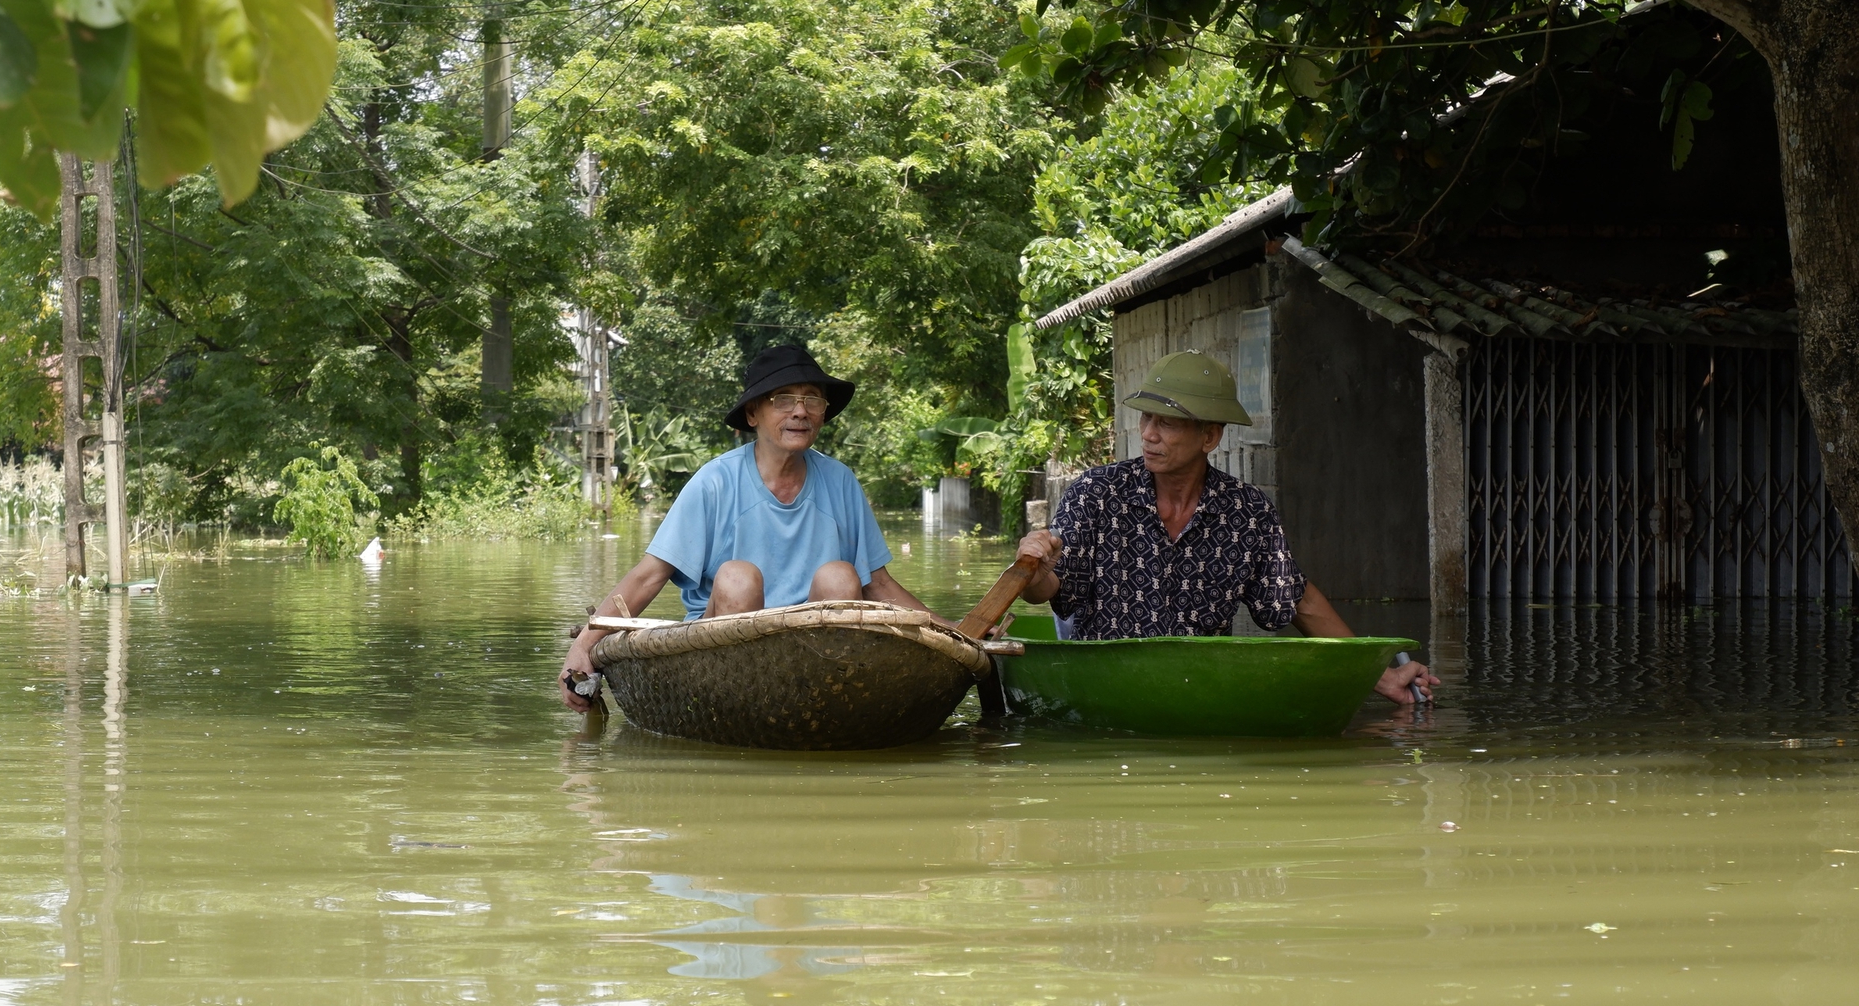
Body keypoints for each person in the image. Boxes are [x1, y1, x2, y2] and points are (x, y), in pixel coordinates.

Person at [1014, 350, 1440, 705]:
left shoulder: (1246, 512)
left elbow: (1296, 601)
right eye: (1146, 419)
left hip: (1195, 694)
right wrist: (1034, 568)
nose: (1148, 434)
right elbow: (1045, 591)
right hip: (1104, 691)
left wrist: (1380, 677)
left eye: (1167, 422)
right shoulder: (1097, 494)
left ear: (1209, 437)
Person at [559, 344, 930, 711]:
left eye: (812, 399)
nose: (800, 411)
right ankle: (740, 705)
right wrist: (583, 646)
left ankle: (819, 704)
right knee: (739, 577)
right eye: (784, 400)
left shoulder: (840, 480)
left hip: (815, 662)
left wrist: (958, 631)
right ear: (753, 413)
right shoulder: (715, 481)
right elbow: (648, 577)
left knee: (841, 576)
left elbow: (877, 584)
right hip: (720, 653)